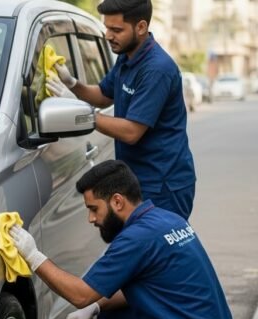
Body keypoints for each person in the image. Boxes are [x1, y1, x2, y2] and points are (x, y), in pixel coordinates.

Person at [9, 160, 233, 319]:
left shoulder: (135, 239)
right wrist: (96, 307)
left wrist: (34, 256)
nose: (90, 219)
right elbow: (146, 288)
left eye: (94, 209)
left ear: (117, 201)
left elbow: (80, 294)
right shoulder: (166, 220)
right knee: (110, 317)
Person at [47, 0, 196, 220]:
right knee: (141, 249)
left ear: (141, 27)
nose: (108, 35)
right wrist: (72, 84)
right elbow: (103, 94)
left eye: (116, 30)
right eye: (107, 27)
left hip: (163, 185)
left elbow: (131, 132)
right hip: (138, 179)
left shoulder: (157, 69)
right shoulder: (127, 57)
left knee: (160, 250)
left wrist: (81, 113)